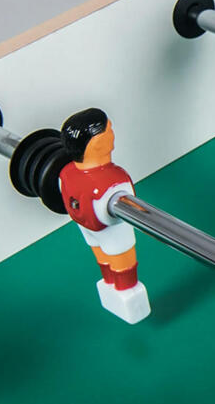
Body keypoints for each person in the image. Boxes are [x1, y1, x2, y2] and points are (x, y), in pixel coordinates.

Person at [57, 108, 151, 323]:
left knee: (103, 259)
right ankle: (128, 295)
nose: (113, 134)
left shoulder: (65, 174)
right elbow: (138, 210)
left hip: (88, 229)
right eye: (110, 129)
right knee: (123, 265)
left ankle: (110, 285)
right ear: (97, 143)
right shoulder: (115, 180)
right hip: (114, 230)